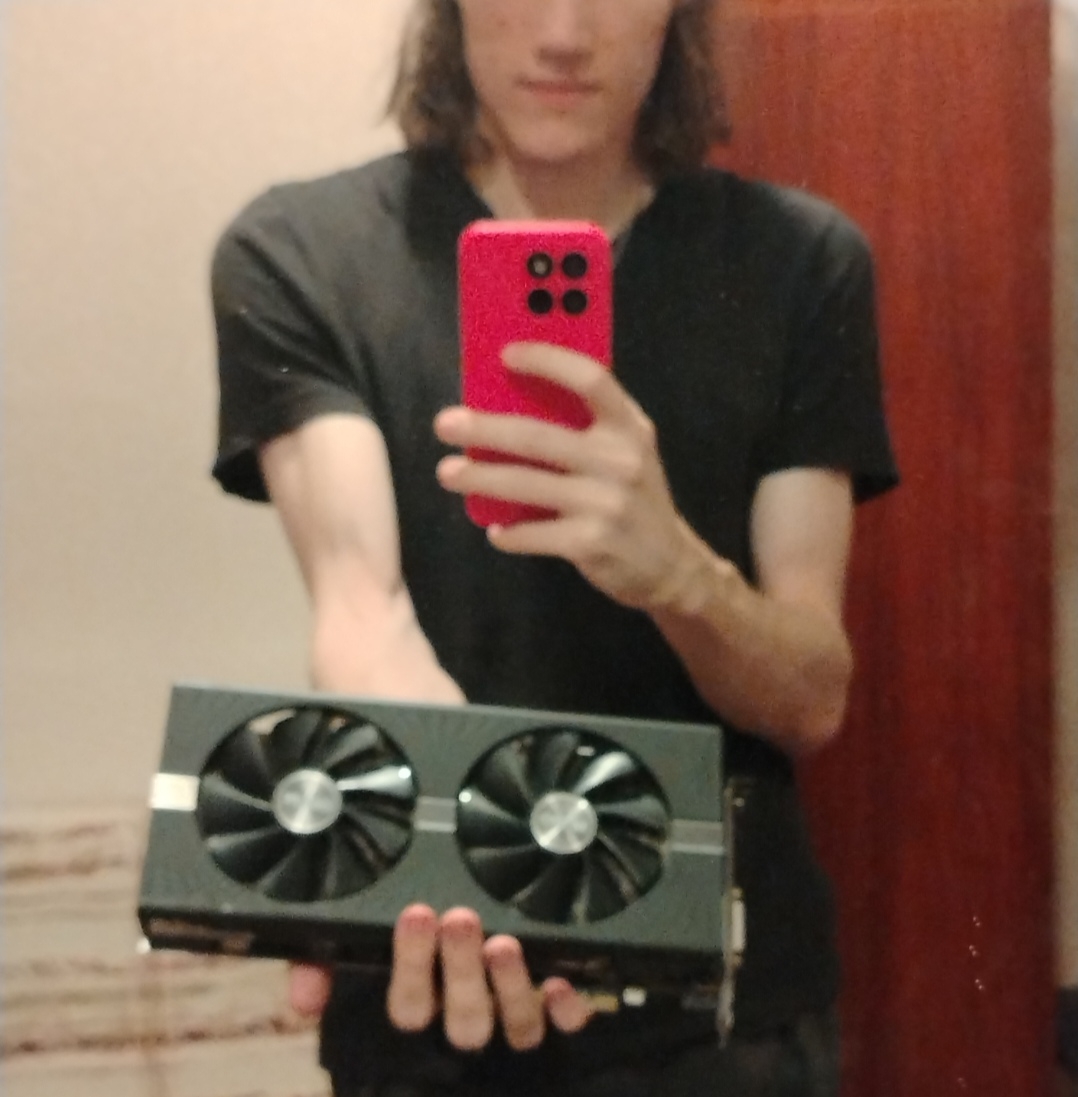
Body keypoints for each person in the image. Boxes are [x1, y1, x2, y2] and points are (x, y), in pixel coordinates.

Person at [210, 1, 898, 1094]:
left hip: (720, 1013)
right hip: (435, 978)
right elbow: (363, 615)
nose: (566, 33)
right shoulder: (302, 254)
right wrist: (483, 876)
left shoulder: (799, 262)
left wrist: (676, 570)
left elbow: (810, 695)